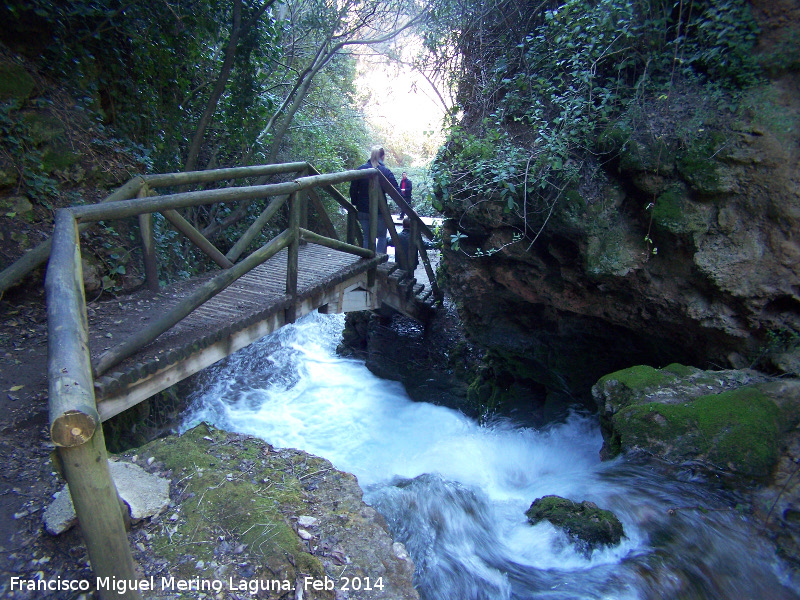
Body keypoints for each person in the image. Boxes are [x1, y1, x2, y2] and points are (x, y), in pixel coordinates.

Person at [349, 146, 400, 253]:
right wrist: (407, 207)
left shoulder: (360, 170)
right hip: (380, 210)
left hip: (363, 209)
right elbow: (396, 192)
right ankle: (379, 261)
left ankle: (367, 261)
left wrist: (355, 203)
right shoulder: (385, 171)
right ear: (382, 156)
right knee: (381, 236)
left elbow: (353, 190)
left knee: (367, 237)